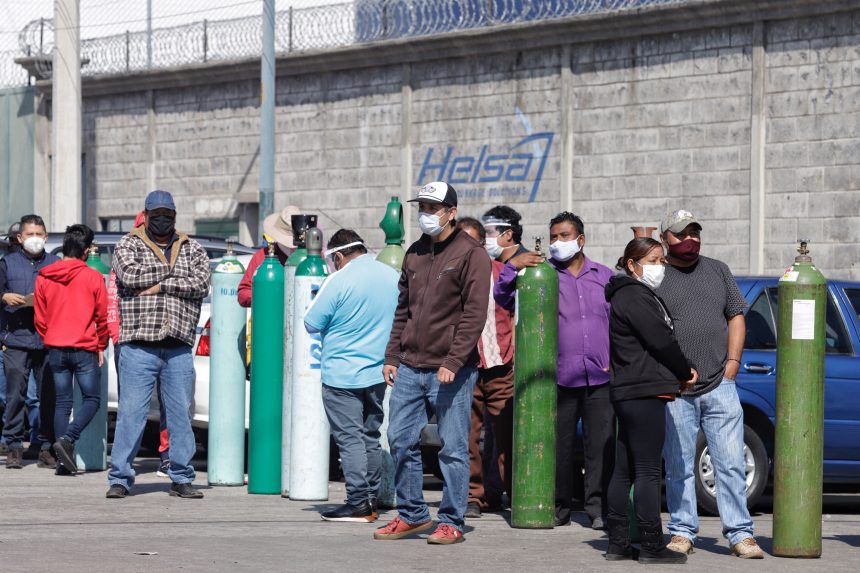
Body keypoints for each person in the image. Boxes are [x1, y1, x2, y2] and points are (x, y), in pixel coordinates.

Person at [375, 181, 490, 545]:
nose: (425, 214)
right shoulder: (414, 253)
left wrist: (454, 360)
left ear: (451, 212)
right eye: (422, 207)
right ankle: (413, 515)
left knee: (453, 447)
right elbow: (403, 310)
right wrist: (392, 355)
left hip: (451, 369)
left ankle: (452, 520)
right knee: (399, 439)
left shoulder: (472, 254)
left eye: (432, 208)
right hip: (410, 365)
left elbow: (474, 314)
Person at [494, 211, 614, 529]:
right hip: (559, 378)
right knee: (557, 446)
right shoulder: (541, 275)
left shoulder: (604, 276)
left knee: (599, 446)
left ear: (581, 239)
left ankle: (597, 508)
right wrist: (511, 268)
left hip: (600, 376)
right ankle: (559, 505)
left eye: (564, 236)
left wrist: (616, 360)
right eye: (553, 237)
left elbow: (622, 320)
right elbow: (503, 298)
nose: (557, 243)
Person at [656, 210, 764, 559]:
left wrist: (732, 364)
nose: (690, 239)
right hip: (676, 389)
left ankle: (740, 533)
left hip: (720, 383)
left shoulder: (718, 270)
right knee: (678, 464)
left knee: (730, 462)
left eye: (694, 232)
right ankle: (682, 530)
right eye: (681, 233)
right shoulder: (656, 275)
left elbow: (736, 315)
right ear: (665, 240)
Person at [106, 190, 210, 499]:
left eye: (168, 215)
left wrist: (160, 285)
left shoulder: (191, 247)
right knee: (131, 414)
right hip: (138, 345)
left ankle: (180, 476)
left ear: (175, 216)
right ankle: (121, 478)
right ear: (146, 215)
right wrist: (175, 274)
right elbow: (128, 275)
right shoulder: (128, 244)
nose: (162, 220)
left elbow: (202, 283)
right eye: (157, 215)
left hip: (177, 345)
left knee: (180, 414)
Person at [604, 237, 697, 564]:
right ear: (632, 264)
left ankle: (617, 544)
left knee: (624, 470)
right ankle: (652, 546)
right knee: (645, 472)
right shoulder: (634, 295)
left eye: (661, 260)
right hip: (643, 389)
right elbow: (660, 340)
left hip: (628, 390)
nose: (661, 266)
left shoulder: (627, 294)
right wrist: (685, 370)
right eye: (654, 260)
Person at [304, 229, 399, 522]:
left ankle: (358, 502)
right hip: (378, 372)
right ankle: (369, 500)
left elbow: (311, 322)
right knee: (370, 436)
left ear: (338, 256)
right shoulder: (391, 276)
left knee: (350, 439)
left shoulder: (339, 278)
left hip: (342, 375)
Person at [459, 207, 526, 519]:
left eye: (475, 241)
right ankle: (474, 496)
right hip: (464, 368)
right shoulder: (451, 277)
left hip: (501, 366)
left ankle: (512, 493)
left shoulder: (503, 273)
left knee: (507, 435)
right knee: (467, 437)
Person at [34, 224, 109, 475]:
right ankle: (68, 440)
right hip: (84, 348)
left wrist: (51, 336)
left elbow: (40, 318)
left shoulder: (44, 275)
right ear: (86, 251)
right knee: (92, 400)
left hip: (55, 347)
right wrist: (101, 344)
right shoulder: (93, 277)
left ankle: (63, 463)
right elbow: (102, 317)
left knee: (62, 404)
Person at [106, 211, 172, 477]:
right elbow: (112, 300)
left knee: (171, 404)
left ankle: (167, 456)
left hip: (167, 338)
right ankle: (124, 464)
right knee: (131, 408)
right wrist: (117, 336)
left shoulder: (174, 251)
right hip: (131, 341)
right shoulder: (126, 255)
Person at [1, 215, 60, 470]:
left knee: (49, 395)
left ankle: (45, 446)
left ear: (46, 237)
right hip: (16, 337)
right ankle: (14, 446)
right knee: (15, 395)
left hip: (47, 339)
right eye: (30, 234)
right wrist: (4, 296)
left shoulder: (55, 264)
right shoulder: (8, 263)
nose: (35, 239)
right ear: (20, 238)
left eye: (39, 234)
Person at [237, 205, 300, 308]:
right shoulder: (262, 256)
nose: (292, 248)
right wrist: (266, 297)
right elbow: (243, 293)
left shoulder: (314, 257)